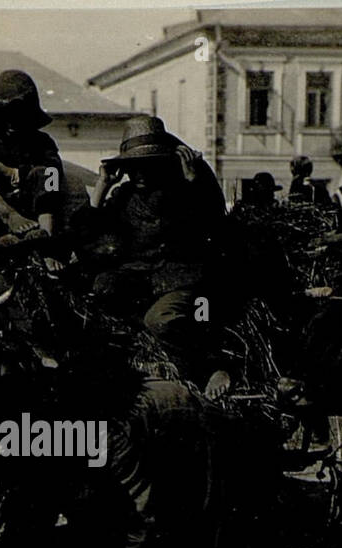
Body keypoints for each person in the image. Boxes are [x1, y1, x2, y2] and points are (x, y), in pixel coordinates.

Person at [80, 115, 232, 398]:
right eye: (132, 167)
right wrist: (101, 187)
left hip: (181, 278)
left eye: (147, 166)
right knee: (101, 293)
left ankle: (209, 369)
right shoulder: (124, 196)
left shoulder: (182, 192)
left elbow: (213, 228)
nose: (139, 174)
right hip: (138, 278)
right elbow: (90, 235)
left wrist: (193, 183)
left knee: (161, 320)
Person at [0, 70, 64, 275]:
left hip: (36, 214)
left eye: (19, 116)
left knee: (49, 174)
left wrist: (30, 175)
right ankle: (0, 237)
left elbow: (53, 173)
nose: (11, 123)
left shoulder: (42, 143)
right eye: (5, 116)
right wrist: (9, 214)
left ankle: (45, 241)